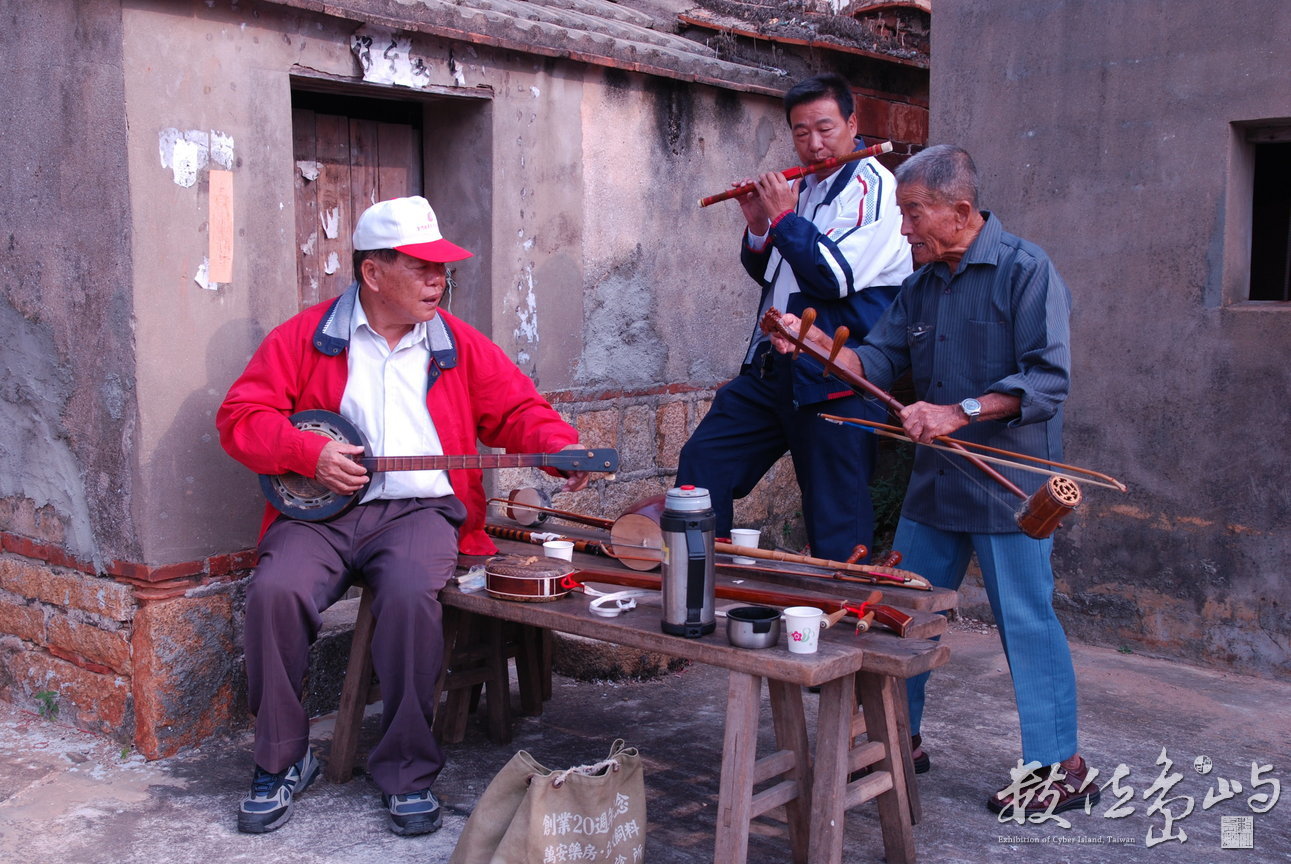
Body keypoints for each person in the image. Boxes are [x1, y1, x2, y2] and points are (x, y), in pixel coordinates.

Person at [216, 196, 588, 836]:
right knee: (275, 592)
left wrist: (558, 444)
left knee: (414, 597)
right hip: (322, 515)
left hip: (419, 510)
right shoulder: (302, 339)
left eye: (441, 268)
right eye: (420, 266)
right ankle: (282, 760)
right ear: (372, 272)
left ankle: (407, 772)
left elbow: (518, 410)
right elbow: (240, 419)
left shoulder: (457, 343)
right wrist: (309, 451)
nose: (437, 280)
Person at [770, 144, 1099, 816]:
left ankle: (1059, 766)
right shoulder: (919, 285)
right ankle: (899, 736)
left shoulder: (1024, 270)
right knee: (900, 613)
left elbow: (1047, 379)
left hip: (1011, 483)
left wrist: (961, 411)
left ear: (959, 210)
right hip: (935, 483)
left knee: (1025, 620)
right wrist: (816, 348)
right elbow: (877, 360)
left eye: (913, 213)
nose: (904, 229)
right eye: (901, 214)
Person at [677, 73, 911, 562]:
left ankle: (840, 621)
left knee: (835, 516)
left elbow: (833, 279)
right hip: (775, 366)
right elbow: (776, 276)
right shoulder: (803, 187)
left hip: (838, 375)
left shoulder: (877, 190)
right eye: (801, 132)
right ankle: (701, 580)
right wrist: (761, 225)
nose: (814, 143)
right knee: (705, 461)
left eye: (825, 129)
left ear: (852, 123)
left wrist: (783, 218)